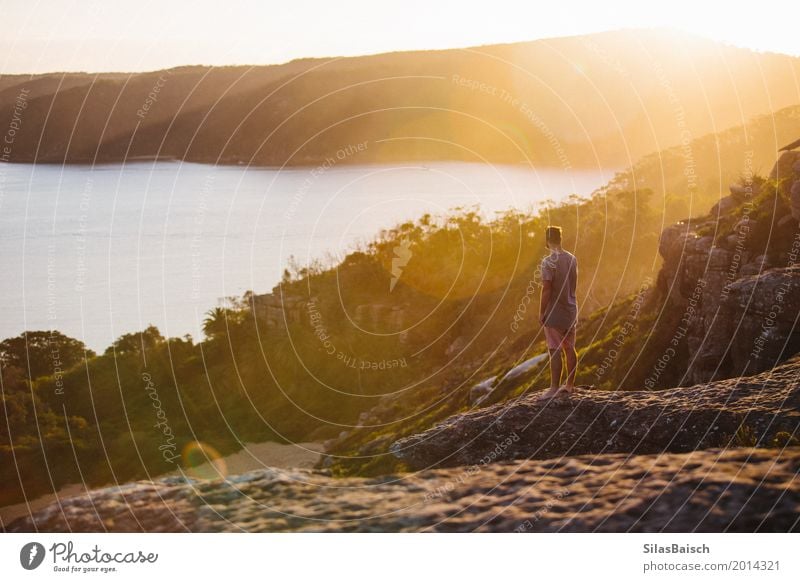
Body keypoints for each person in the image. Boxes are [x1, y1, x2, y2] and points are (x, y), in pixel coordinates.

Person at [537, 226, 578, 400]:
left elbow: (546, 289)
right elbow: (573, 284)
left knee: (555, 350)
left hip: (554, 313)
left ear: (547, 241)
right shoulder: (572, 259)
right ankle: (569, 385)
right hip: (570, 310)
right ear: (560, 239)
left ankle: (554, 388)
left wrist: (542, 312)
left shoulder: (548, 262)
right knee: (570, 348)